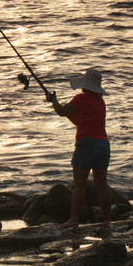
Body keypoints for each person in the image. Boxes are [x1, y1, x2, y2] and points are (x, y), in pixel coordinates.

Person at [46, 67, 113, 237]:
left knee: (80, 184)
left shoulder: (81, 98)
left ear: (85, 86)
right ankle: (107, 220)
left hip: (86, 144)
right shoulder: (101, 103)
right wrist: (57, 103)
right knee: (101, 186)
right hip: (103, 145)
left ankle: (74, 218)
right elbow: (79, 120)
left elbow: (62, 112)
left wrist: (53, 101)